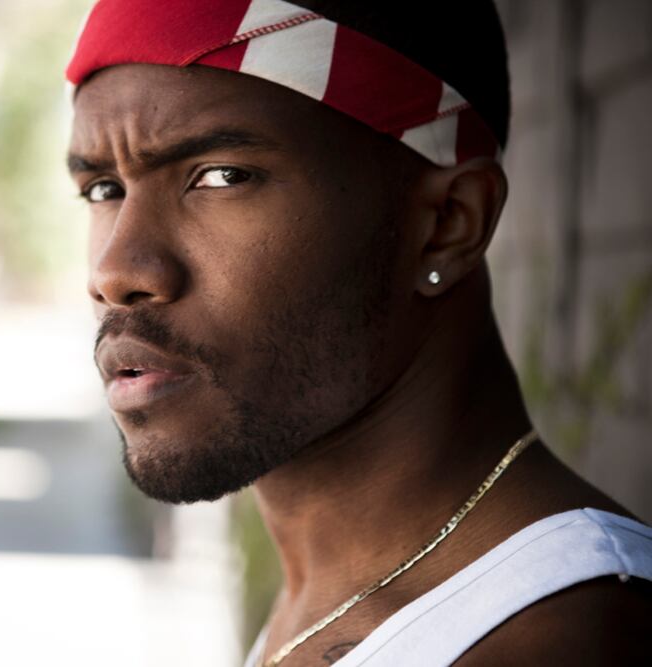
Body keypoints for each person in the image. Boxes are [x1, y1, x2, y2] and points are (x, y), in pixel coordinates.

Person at [64, 0, 652, 664]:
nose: (115, 271)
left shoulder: (556, 640)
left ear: (448, 223)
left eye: (222, 177)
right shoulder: (334, 596)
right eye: (103, 189)